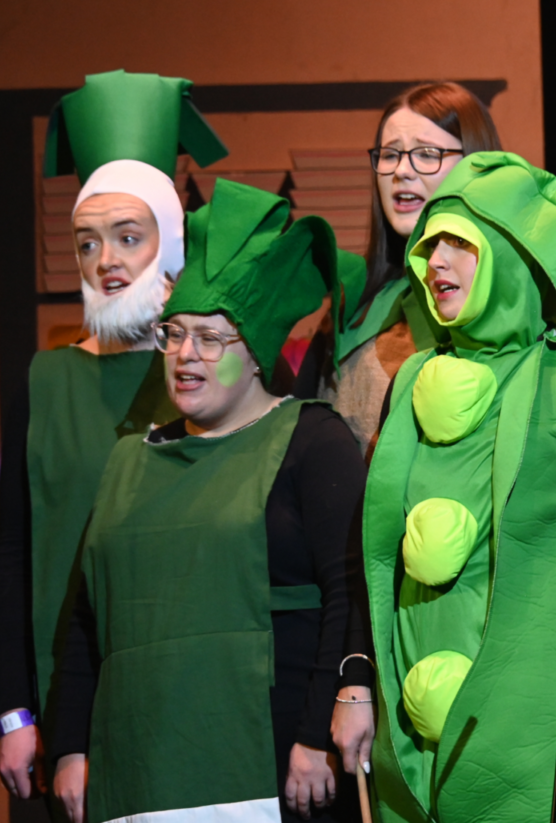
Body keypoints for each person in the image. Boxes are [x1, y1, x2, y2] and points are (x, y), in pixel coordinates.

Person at [48, 180, 369, 823]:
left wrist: (315, 733)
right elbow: (85, 621)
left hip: (270, 768)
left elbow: (350, 593)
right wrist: (69, 746)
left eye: (211, 338)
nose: (186, 355)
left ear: (255, 354)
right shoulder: (129, 460)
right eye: (175, 334)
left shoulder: (312, 440)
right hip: (139, 774)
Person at [356, 151, 556, 821]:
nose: (436, 262)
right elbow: (375, 557)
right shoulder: (410, 384)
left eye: (461, 244)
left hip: (532, 719)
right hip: (414, 727)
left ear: (514, 257)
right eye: (430, 245)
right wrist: (360, 683)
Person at [0, 69, 227, 804]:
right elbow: (16, 556)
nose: (107, 261)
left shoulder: (215, 376)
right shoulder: (46, 381)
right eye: (87, 242)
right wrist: (14, 712)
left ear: (171, 239)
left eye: (128, 237)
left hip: (187, 695)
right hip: (62, 712)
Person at [293, 81, 556, 458]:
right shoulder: (354, 303)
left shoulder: (544, 274)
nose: (401, 171)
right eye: (389, 154)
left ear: (476, 162)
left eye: (426, 154)